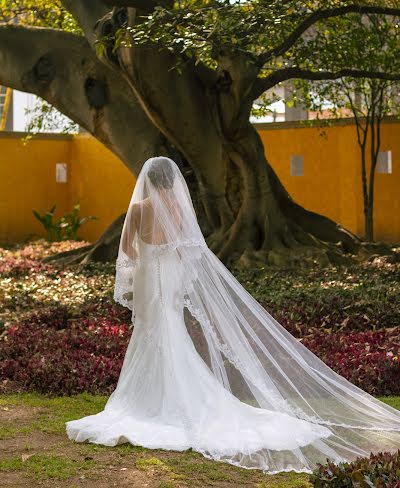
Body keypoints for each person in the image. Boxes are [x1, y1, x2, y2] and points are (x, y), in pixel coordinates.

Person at [66, 156, 400, 474]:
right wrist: (169, 262)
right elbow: (188, 248)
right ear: (172, 183)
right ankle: (174, 398)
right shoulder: (178, 208)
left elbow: (127, 250)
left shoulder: (139, 209)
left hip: (149, 276)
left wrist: (147, 259)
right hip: (167, 278)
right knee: (170, 331)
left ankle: (150, 400)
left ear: (147, 182)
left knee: (151, 333)